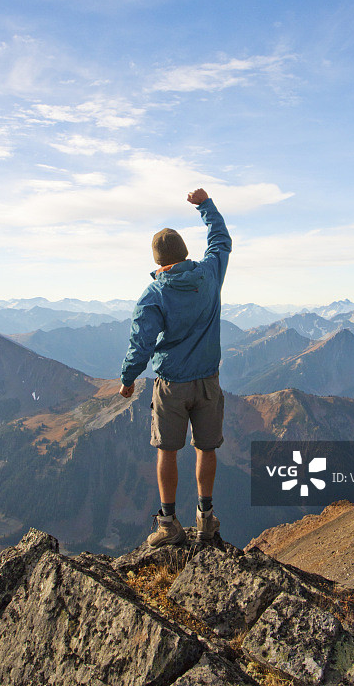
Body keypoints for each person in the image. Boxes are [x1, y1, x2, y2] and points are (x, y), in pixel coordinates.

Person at [119, 188, 232, 547]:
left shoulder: (154, 294)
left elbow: (141, 343)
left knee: (167, 451)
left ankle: (168, 524)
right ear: (184, 253)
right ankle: (206, 519)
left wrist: (128, 379)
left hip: (171, 384)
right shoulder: (210, 273)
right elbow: (221, 240)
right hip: (208, 381)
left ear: (158, 261)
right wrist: (205, 205)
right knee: (206, 449)